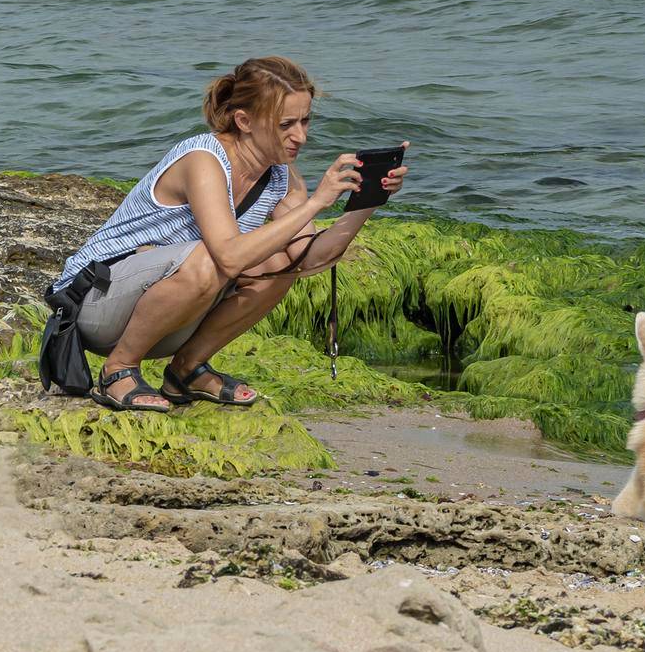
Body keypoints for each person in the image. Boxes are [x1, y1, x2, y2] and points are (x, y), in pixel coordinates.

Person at [50, 58, 408, 412]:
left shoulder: (283, 176)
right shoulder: (203, 159)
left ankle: (186, 371)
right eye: (286, 124)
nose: (301, 136)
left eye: (305, 120)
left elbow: (309, 259)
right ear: (244, 121)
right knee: (211, 257)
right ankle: (118, 369)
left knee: (283, 263)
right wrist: (315, 204)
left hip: (167, 312)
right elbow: (228, 256)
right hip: (95, 306)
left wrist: (368, 200)